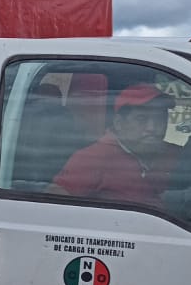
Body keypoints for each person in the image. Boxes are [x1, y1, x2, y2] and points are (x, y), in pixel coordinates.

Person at [50, 83, 180, 209]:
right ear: (119, 123)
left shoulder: (177, 154)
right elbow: (54, 208)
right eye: (141, 119)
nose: (152, 128)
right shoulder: (92, 158)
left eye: (160, 119)